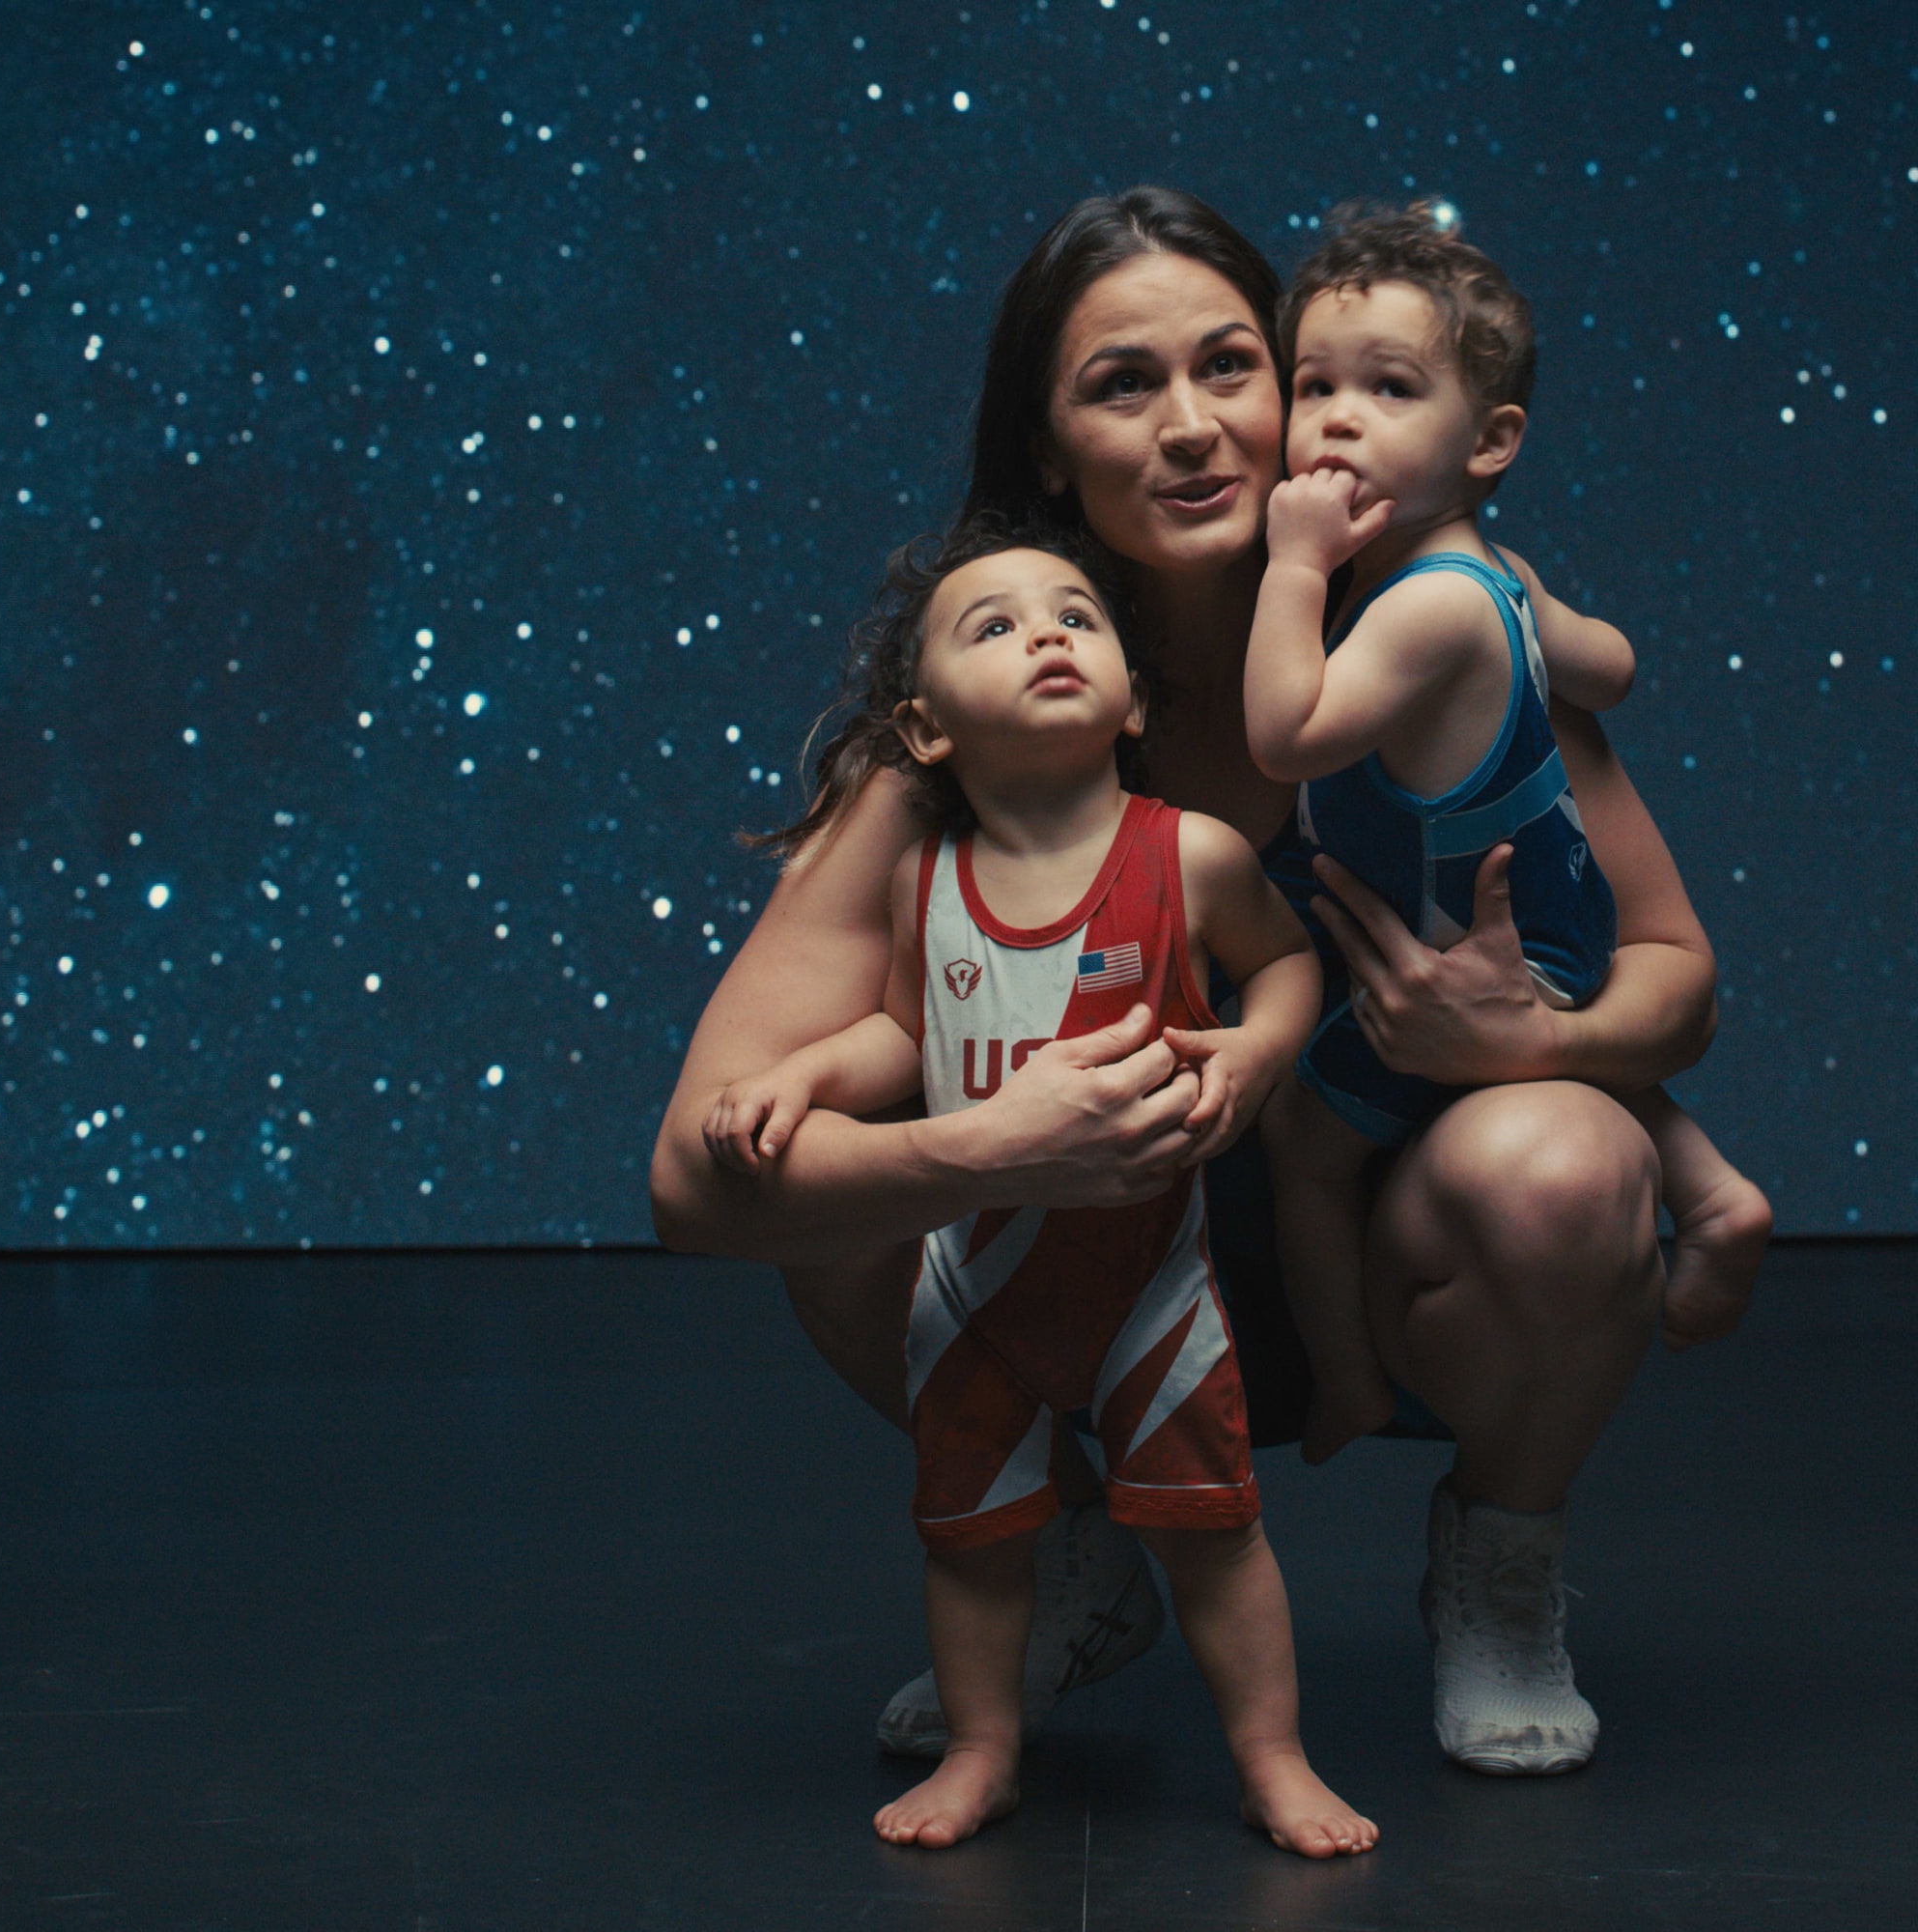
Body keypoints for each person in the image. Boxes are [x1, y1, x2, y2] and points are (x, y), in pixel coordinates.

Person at [651, 186, 1750, 1783]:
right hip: (1084, 1278)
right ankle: (1069, 1547)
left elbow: (1684, 985)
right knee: (827, 1186)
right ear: (1045, 450)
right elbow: (694, 1181)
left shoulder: (1433, 648)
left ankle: (1502, 1566)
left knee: (1573, 1160)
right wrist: (982, 1149)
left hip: (1374, 1250)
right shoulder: (973, 735)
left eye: (1236, 367)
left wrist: (1541, 1034)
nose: (1193, 428)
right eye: (1120, 385)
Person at [701, 517, 1368, 1854]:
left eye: (1075, 616)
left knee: (1215, 1533)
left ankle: (1273, 1756)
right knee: (971, 1536)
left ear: (1129, 696)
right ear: (927, 730)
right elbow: (905, 1034)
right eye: (991, 628)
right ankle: (987, 1751)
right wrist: (806, 1081)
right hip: (977, 1282)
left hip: (1151, 1286)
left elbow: (1290, 967)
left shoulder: (1189, 856)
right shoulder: (924, 882)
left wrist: (1260, 1047)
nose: (1046, 636)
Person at [1244, 201, 1778, 1467]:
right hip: (1549, 906)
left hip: (1466, 935)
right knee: (1567, 1049)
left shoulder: (1415, 612)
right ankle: (1706, 1187)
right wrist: (1548, 665)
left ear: (1490, 442)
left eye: (1389, 388)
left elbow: (1285, 736)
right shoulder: (1506, 577)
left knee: (1303, 1152)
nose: (1336, 420)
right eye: (1313, 386)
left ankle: (1348, 1380)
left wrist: (1291, 568)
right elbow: (1616, 665)